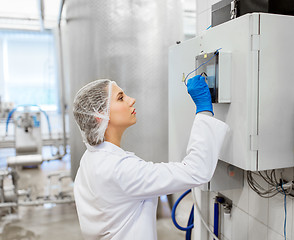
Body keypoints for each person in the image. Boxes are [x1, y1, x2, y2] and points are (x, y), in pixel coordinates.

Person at [73, 75, 229, 240]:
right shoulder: (119, 169)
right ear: (100, 115)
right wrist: (204, 109)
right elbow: (196, 171)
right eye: (120, 98)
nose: (131, 100)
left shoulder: (91, 159)